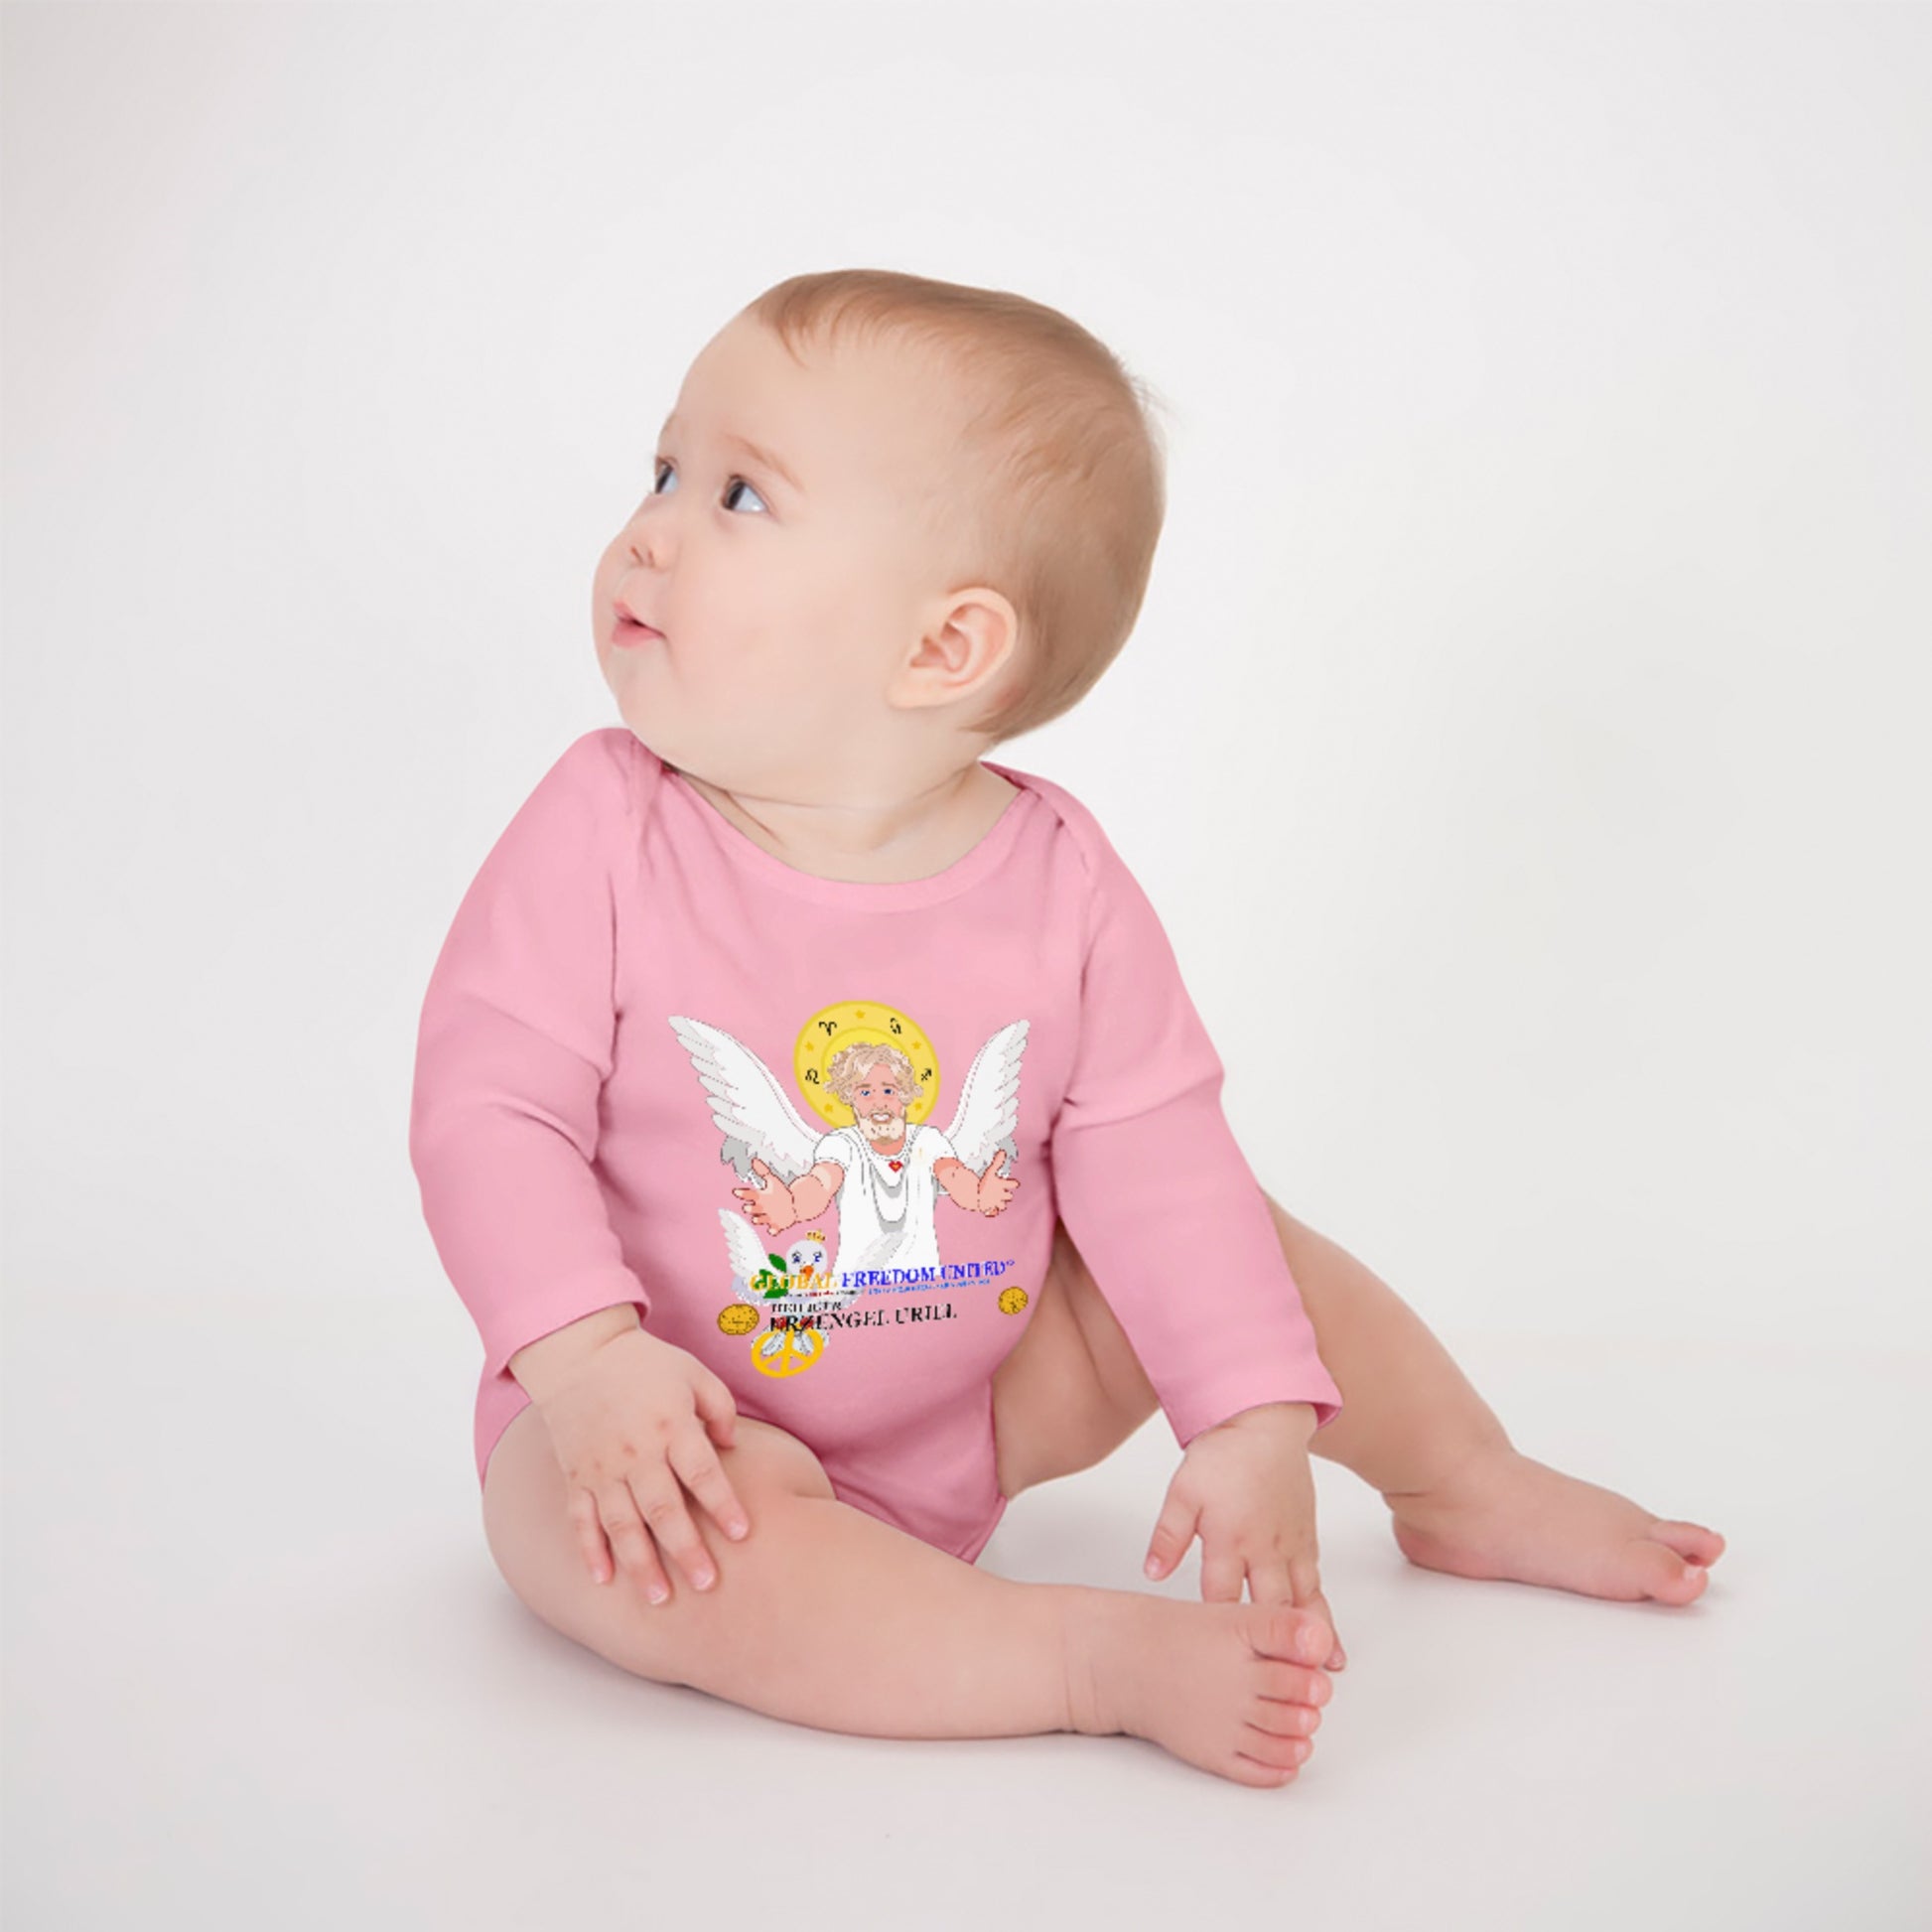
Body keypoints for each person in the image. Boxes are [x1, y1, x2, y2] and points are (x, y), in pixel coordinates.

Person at [409, 269, 1725, 1789]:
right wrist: (584, 1362)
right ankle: (1077, 1658)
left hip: (973, 1402)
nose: (650, 529)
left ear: (943, 649)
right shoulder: (602, 827)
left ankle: (1463, 1475)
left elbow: (1158, 1163)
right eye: (662, 471)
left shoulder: (1059, 880)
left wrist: (1243, 1415)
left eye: (738, 495)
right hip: (653, 1429)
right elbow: (487, 1111)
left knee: (1236, 1243)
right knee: (686, 1557)